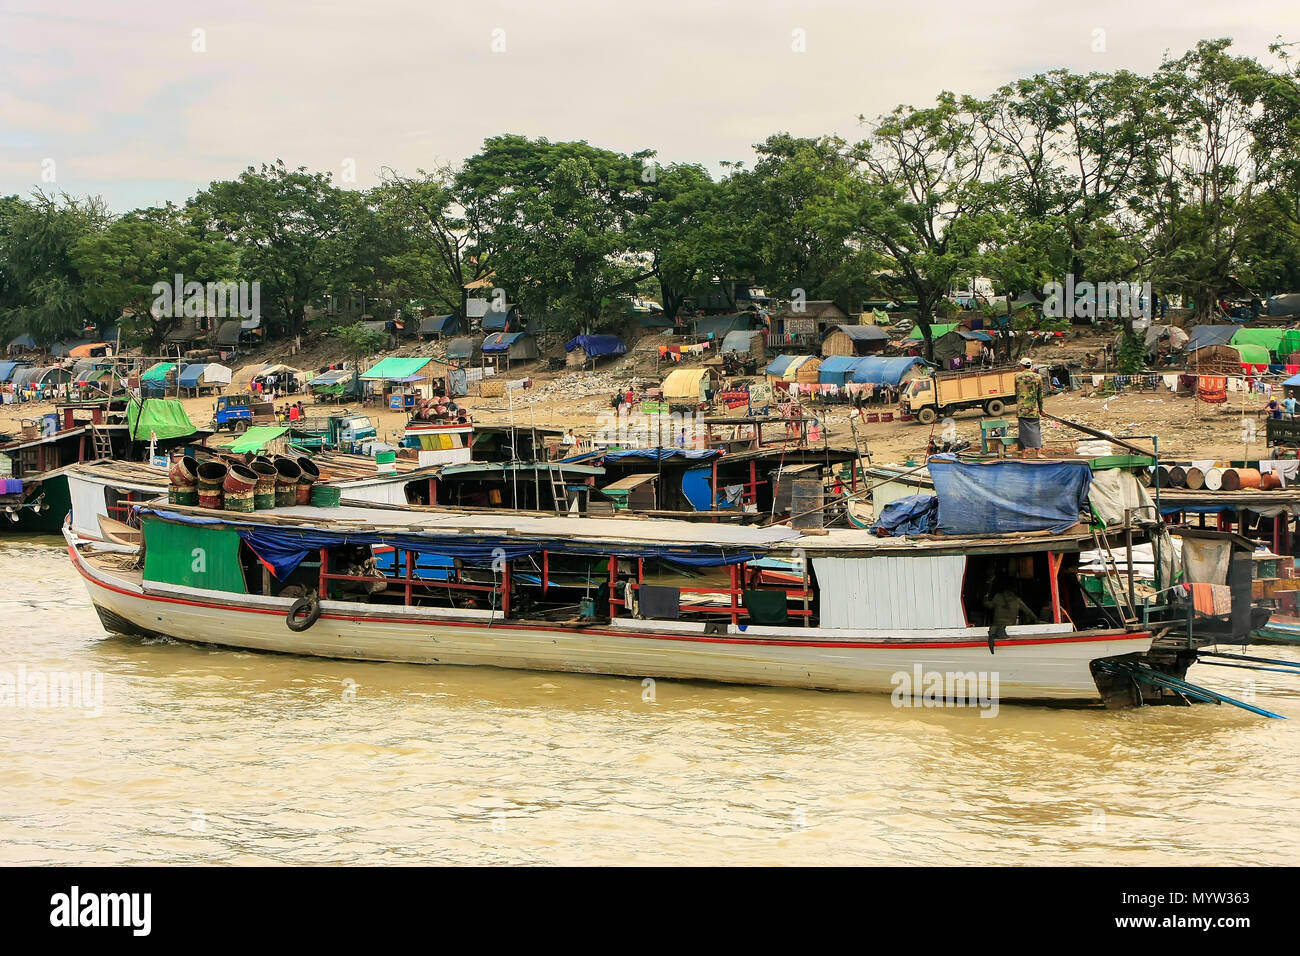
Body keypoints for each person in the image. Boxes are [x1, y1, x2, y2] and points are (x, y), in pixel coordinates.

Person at [1014, 357, 1045, 459]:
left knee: (1023, 432)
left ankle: (1024, 454)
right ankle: (1038, 453)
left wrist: (1017, 408)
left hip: (1022, 409)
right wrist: (1041, 409)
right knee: (1036, 430)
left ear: (1022, 366)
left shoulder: (1017, 376)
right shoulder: (1038, 377)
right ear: (1030, 365)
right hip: (1033, 409)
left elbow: (1017, 393)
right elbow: (1040, 395)